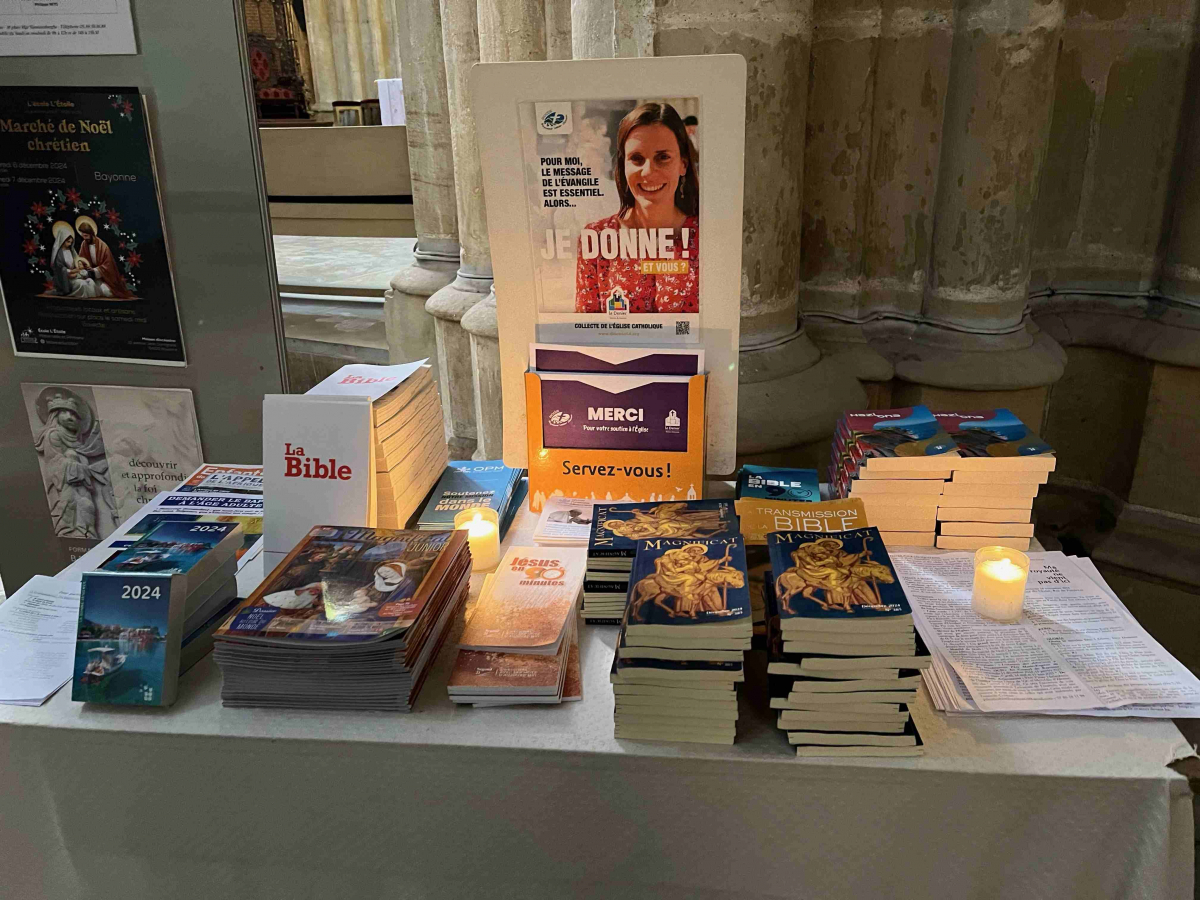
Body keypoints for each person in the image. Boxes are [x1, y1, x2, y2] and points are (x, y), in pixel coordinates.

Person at [575, 102, 699, 313]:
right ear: (623, 166)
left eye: (663, 157)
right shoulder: (596, 238)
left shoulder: (703, 238)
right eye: (637, 159)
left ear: (683, 164)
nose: (648, 172)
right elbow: (586, 329)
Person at [32, 389, 118, 539]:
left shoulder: (78, 441)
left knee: (87, 505)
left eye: (74, 415)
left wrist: (83, 464)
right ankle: (68, 532)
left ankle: (87, 533)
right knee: (69, 503)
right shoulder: (53, 435)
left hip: (82, 482)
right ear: (55, 415)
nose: (71, 417)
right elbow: (53, 462)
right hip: (65, 483)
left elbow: (81, 460)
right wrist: (74, 463)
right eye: (65, 413)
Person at [74, 215, 134, 299]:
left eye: (86, 236)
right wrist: (85, 267)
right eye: (83, 236)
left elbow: (108, 266)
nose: (84, 238)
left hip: (105, 278)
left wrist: (94, 270)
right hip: (90, 276)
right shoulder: (84, 244)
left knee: (107, 292)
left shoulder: (103, 246)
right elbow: (81, 259)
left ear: (92, 234)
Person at [48, 222, 99, 298]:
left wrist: (80, 268)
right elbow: (60, 269)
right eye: (68, 242)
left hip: (76, 275)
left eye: (71, 242)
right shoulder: (59, 254)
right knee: (83, 284)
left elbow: (78, 261)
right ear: (62, 240)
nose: (69, 244)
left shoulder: (72, 251)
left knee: (91, 282)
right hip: (66, 279)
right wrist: (71, 271)